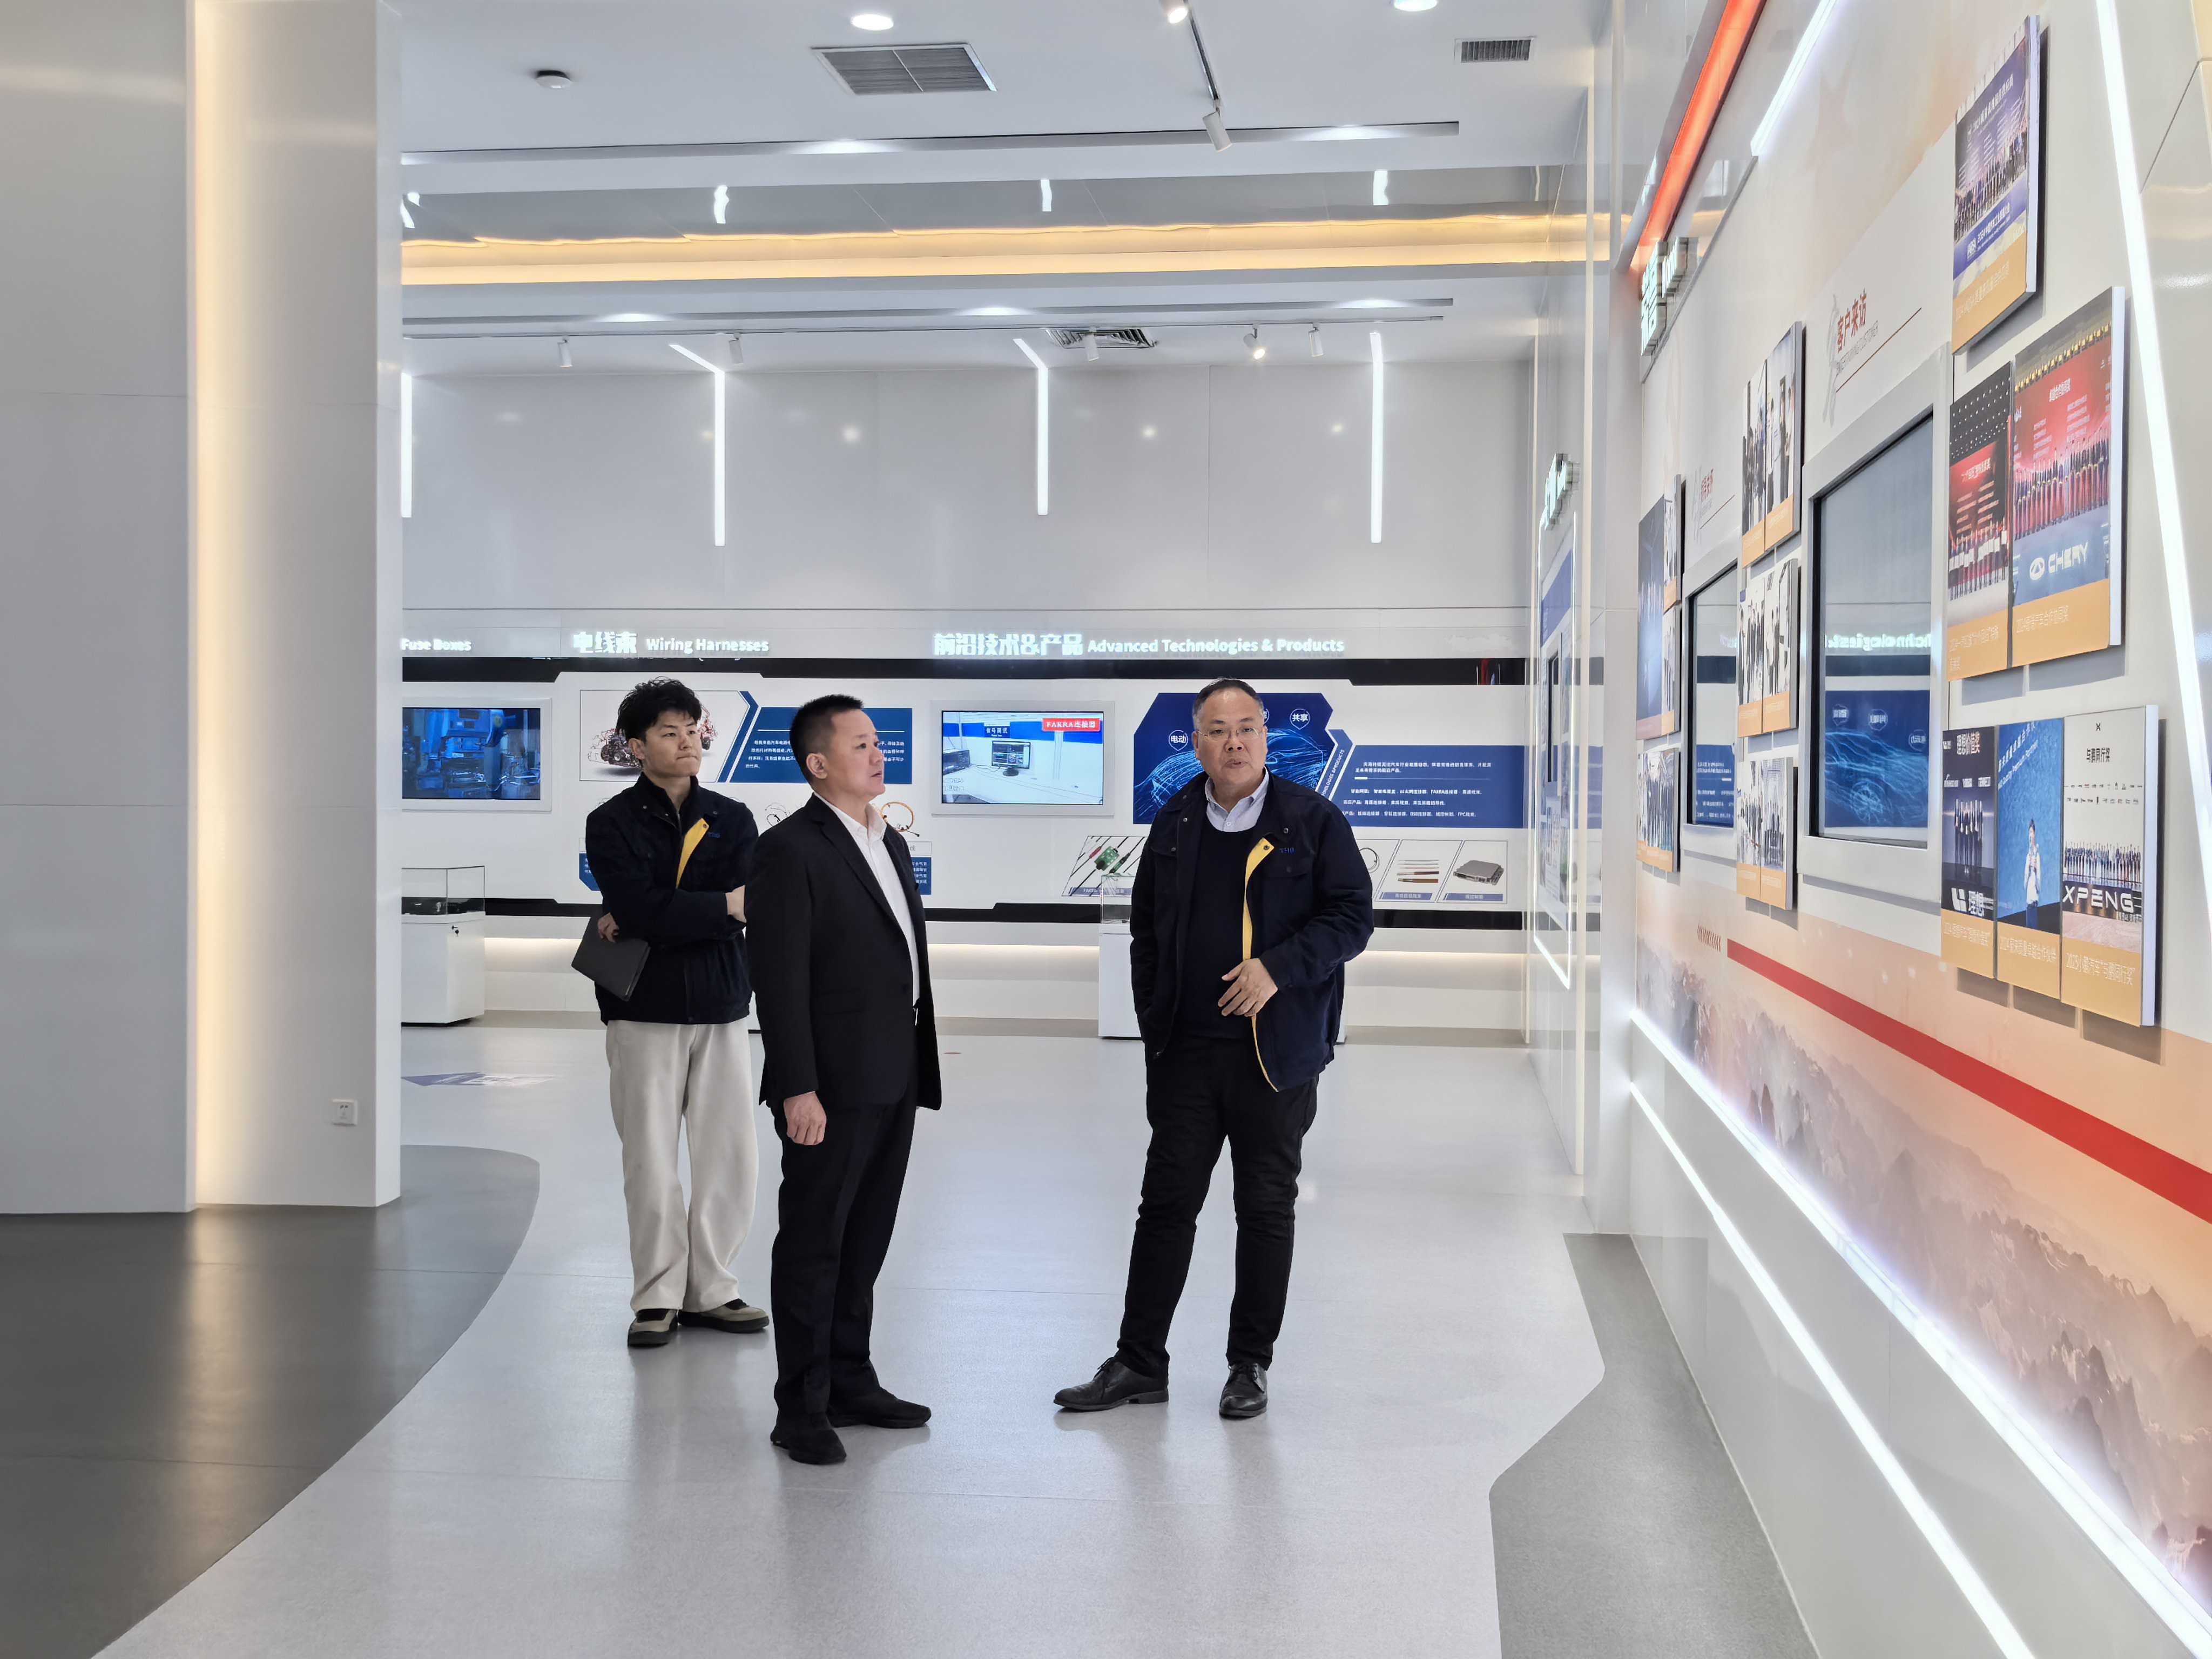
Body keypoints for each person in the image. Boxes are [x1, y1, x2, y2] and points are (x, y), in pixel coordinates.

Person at [1055, 678, 1373, 1421]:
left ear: (1266, 736)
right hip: (1187, 1055)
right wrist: (1155, 1027)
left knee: (1264, 1209)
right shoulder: (1173, 821)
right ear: (1195, 742)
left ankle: (1248, 1365)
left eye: (1247, 728)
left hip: (1276, 1057)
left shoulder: (1312, 820)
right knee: (1164, 1206)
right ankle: (1139, 1362)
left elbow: (1351, 918)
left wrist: (1276, 970)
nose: (1235, 742)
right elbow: (1145, 932)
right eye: (1219, 730)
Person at [748, 694, 940, 1465]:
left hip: (893, 1070)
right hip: (828, 1082)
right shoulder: (789, 849)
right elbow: (779, 979)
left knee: (865, 1239)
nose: (877, 753)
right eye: (859, 744)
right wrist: (797, 1086)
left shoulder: (886, 839)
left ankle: (851, 1381)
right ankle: (800, 1406)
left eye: (877, 741)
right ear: (818, 763)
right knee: (814, 1243)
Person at [583, 679, 766, 1350]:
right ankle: (657, 1296)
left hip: (722, 1004)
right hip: (641, 1007)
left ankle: (712, 1288)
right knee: (650, 1158)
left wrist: (664, 913)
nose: (687, 741)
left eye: (692, 729)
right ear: (636, 747)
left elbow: (746, 904)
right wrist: (717, 907)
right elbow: (641, 908)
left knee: (729, 1155)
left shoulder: (733, 817)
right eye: (669, 732)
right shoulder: (611, 822)